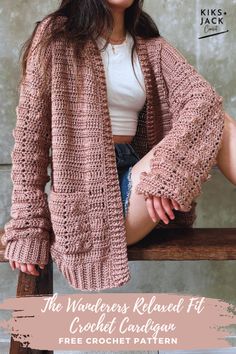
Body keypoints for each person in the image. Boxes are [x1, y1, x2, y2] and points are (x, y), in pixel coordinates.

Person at [2, 0, 236, 291]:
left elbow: (203, 99)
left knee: (217, 119)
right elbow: (29, 141)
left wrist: (168, 172)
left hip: (139, 177)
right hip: (92, 206)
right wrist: (28, 227)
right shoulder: (58, 36)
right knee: (218, 122)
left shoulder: (150, 44)